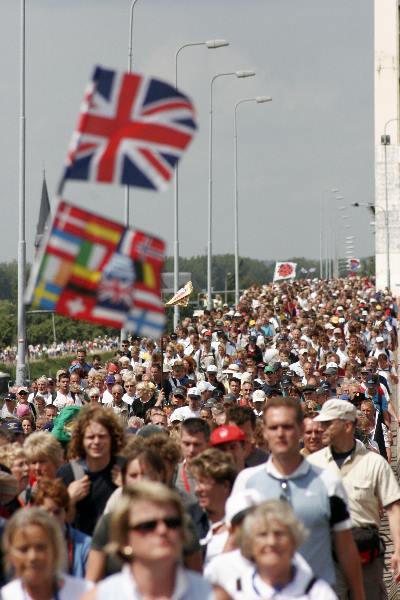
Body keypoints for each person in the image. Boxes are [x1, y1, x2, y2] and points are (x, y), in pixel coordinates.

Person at [229, 396, 363, 596]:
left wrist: (359, 595)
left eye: (287, 427)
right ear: (264, 432)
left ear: (300, 429)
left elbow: (346, 547)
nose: (281, 434)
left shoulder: (328, 482)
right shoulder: (246, 482)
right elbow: (233, 545)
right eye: (274, 428)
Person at [308, 399, 400, 600]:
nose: (321, 428)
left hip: (365, 554)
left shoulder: (374, 463)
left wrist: (398, 550)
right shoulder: (311, 464)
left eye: (327, 424)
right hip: (325, 555)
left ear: (347, 425)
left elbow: (394, 509)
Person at [81, 481, 213, 600]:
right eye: (148, 525)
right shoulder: (99, 597)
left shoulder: (212, 595)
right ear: (125, 538)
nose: (162, 530)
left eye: (172, 523)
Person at [214, 500, 337, 600]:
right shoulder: (234, 592)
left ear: (294, 540)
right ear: (249, 543)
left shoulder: (317, 593)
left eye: (279, 534)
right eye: (262, 535)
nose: (271, 542)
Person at [57, 405, 125, 535]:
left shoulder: (125, 469)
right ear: (81, 440)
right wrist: (69, 499)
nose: (96, 441)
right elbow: (55, 524)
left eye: (102, 436)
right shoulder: (67, 473)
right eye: (90, 437)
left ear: (112, 438)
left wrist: (127, 489)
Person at [1, 507, 91, 599]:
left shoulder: (86, 593)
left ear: (55, 549)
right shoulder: (5, 596)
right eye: (23, 549)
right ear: (10, 553)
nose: (33, 557)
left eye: (40, 547)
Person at [31, 478, 92, 578]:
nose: (51, 517)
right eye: (45, 512)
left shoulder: (85, 545)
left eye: (57, 512)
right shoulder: (27, 544)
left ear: (65, 512)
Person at [190, 448, 236, 566]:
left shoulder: (242, 522)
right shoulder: (190, 519)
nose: (197, 489)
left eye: (203, 483)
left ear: (225, 486)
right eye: (197, 482)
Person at [174, 418, 210, 505]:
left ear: (208, 444)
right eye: (186, 444)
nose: (191, 450)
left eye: (197, 444)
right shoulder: (172, 473)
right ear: (180, 443)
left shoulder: (219, 473)